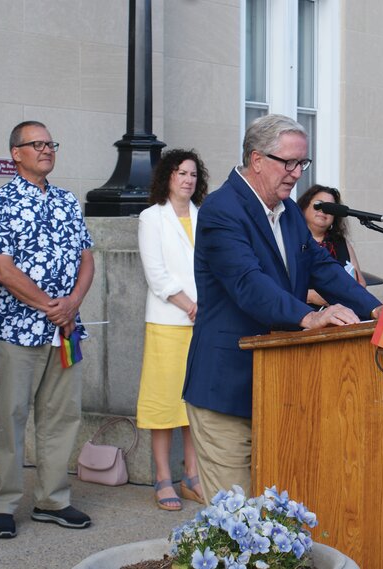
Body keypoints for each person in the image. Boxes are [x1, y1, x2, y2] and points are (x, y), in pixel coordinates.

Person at [181, 114, 382, 500]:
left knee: (272, 513)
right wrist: (308, 316)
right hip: (227, 385)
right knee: (232, 517)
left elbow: (321, 268)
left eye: (301, 164)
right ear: (257, 159)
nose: (295, 174)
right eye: (287, 163)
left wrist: (376, 311)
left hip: (280, 384)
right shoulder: (221, 209)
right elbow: (247, 282)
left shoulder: (288, 211)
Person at [0, 121, 95, 538]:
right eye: (36, 144)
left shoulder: (66, 200)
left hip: (66, 331)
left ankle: (53, 500)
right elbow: (2, 269)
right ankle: (3, 503)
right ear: (16, 154)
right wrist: (51, 307)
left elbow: (86, 259)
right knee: (10, 416)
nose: (46, 149)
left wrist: (72, 305)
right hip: (17, 330)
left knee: (62, 416)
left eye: (50, 143)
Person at [136, 149, 208, 510]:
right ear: (167, 176)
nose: (187, 179)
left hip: (202, 322)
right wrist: (189, 305)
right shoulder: (152, 217)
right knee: (163, 404)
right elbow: (156, 274)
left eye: (193, 174)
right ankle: (162, 477)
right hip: (169, 320)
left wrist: (205, 307)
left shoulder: (204, 216)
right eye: (181, 173)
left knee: (192, 403)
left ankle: (191, 476)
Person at [296, 184, 367, 308]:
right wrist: (311, 296)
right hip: (301, 316)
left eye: (330, 208)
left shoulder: (341, 243)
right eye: (319, 204)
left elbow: (361, 284)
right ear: (304, 207)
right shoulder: (290, 239)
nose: (324, 210)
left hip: (341, 314)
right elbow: (276, 287)